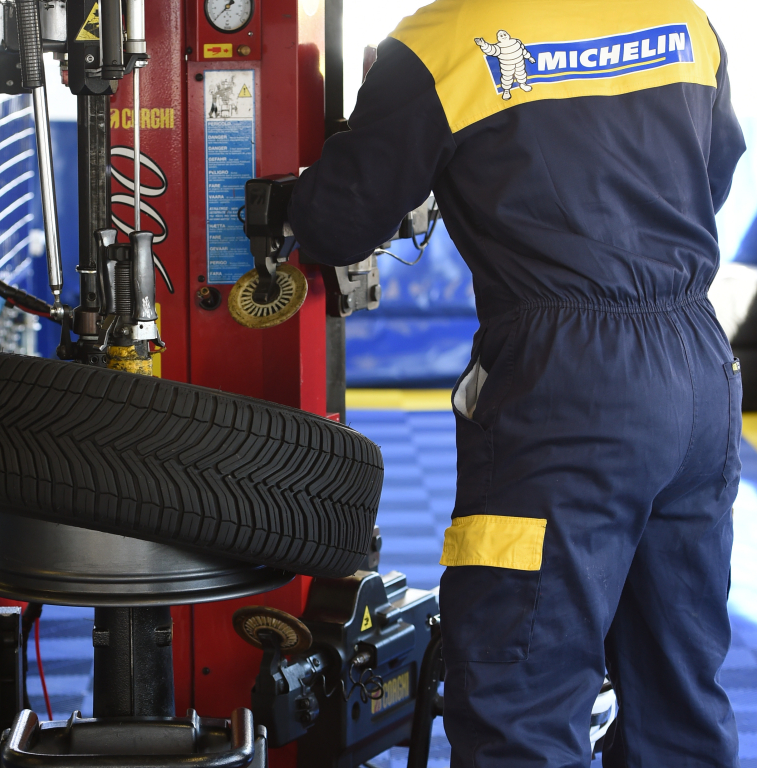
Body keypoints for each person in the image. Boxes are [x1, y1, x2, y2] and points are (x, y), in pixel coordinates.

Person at [288, 0, 746, 765]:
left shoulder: (442, 42)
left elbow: (336, 226)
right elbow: (714, 177)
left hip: (568, 387)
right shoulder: (682, 21)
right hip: (697, 362)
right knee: (678, 693)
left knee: (521, 697)